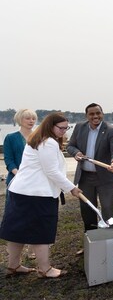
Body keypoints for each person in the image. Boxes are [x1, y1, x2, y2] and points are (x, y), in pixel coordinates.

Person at [0, 112, 82, 278]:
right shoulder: (48, 143)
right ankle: (45, 269)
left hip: (21, 191)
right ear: (51, 126)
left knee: (17, 230)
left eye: (67, 128)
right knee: (41, 231)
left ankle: (13, 266)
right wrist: (71, 188)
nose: (64, 131)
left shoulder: (37, 139)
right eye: (61, 128)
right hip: (36, 194)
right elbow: (51, 171)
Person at [67, 103, 113, 238]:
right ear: (87, 116)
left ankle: (110, 239)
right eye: (92, 114)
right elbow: (70, 146)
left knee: (108, 208)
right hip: (85, 177)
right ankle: (91, 239)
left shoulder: (111, 129)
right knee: (87, 209)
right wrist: (76, 153)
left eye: (98, 113)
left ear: (102, 114)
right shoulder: (80, 127)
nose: (95, 116)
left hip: (105, 177)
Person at [3, 109, 37, 205]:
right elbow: (9, 160)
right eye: (28, 118)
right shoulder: (10, 138)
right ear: (20, 120)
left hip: (36, 179)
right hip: (16, 178)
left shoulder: (39, 137)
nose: (31, 121)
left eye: (33, 118)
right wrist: (19, 175)